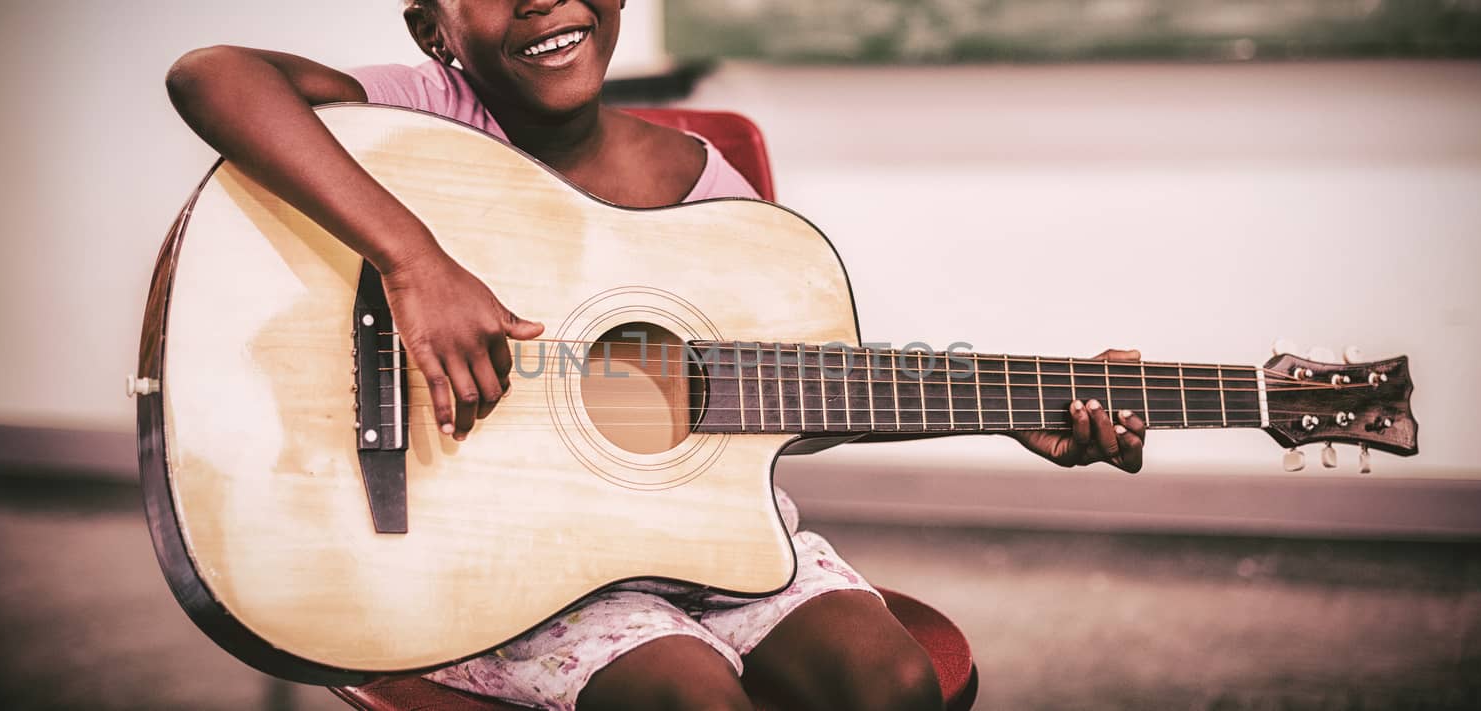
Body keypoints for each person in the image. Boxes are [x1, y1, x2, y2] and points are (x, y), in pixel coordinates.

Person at [165, 2, 1146, 709]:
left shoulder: (700, 185)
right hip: (493, 562)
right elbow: (211, 74)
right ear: (435, 32)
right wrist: (414, 262)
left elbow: (784, 400)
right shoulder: (418, 118)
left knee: (887, 684)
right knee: (689, 699)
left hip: (705, 541)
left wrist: (1017, 406)